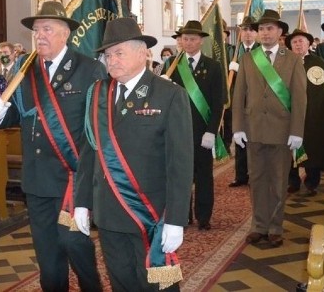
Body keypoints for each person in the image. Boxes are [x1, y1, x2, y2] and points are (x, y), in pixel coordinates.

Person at [0, 1, 106, 292]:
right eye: (36, 30)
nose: (39, 35)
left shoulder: (88, 68)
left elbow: (99, 129)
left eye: (47, 29)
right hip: (38, 178)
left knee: (75, 245)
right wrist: (1, 114)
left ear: (65, 34)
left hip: (72, 178)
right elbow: (20, 112)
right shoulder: (24, 67)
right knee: (47, 255)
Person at [74, 17, 192, 291]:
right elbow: (89, 151)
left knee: (156, 285)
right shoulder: (98, 94)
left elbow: (180, 164)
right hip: (108, 212)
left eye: (119, 52)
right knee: (121, 283)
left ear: (143, 53)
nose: (111, 60)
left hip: (150, 215)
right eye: (107, 55)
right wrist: (82, 201)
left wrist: (175, 219)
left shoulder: (169, 95)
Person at [231, 9, 306, 247]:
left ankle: (275, 226)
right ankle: (258, 225)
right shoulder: (248, 58)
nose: (264, 33)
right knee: (257, 179)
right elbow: (239, 95)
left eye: (270, 28)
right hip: (253, 130)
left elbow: (300, 97)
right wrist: (238, 127)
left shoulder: (292, 59)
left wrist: (297, 131)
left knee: (278, 180)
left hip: (282, 131)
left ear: (280, 31)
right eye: (261, 29)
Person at [162, 20, 224, 230]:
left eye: (193, 39)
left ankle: (204, 216)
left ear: (201, 41)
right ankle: (183, 214)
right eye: (185, 39)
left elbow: (218, 102)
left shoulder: (213, 66)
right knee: (180, 175)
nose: (188, 42)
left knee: (204, 175)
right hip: (178, 131)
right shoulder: (171, 66)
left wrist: (212, 131)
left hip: (202, 132)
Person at [285, 29, 324, 196]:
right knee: (289, 148)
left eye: (301, 41)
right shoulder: (285, 61)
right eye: (294, 42)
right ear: (290, 45)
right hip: (289, 113)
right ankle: (293, 181)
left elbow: (320, 90)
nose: (298, 44)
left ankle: (312, 181)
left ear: (308, 43)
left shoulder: (317, 62)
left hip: (312, 114)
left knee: (312, 146)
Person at [226, 16, 257, 187]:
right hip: (237, 100)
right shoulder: (233, 51)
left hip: (255, 101)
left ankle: (256, 174)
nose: (248, 33)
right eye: (244, 29)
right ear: (240, 32)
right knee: (238, 137)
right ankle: (241, 175)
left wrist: (242, 69)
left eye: (251, 30)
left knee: (256, 139)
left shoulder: (261, 50)